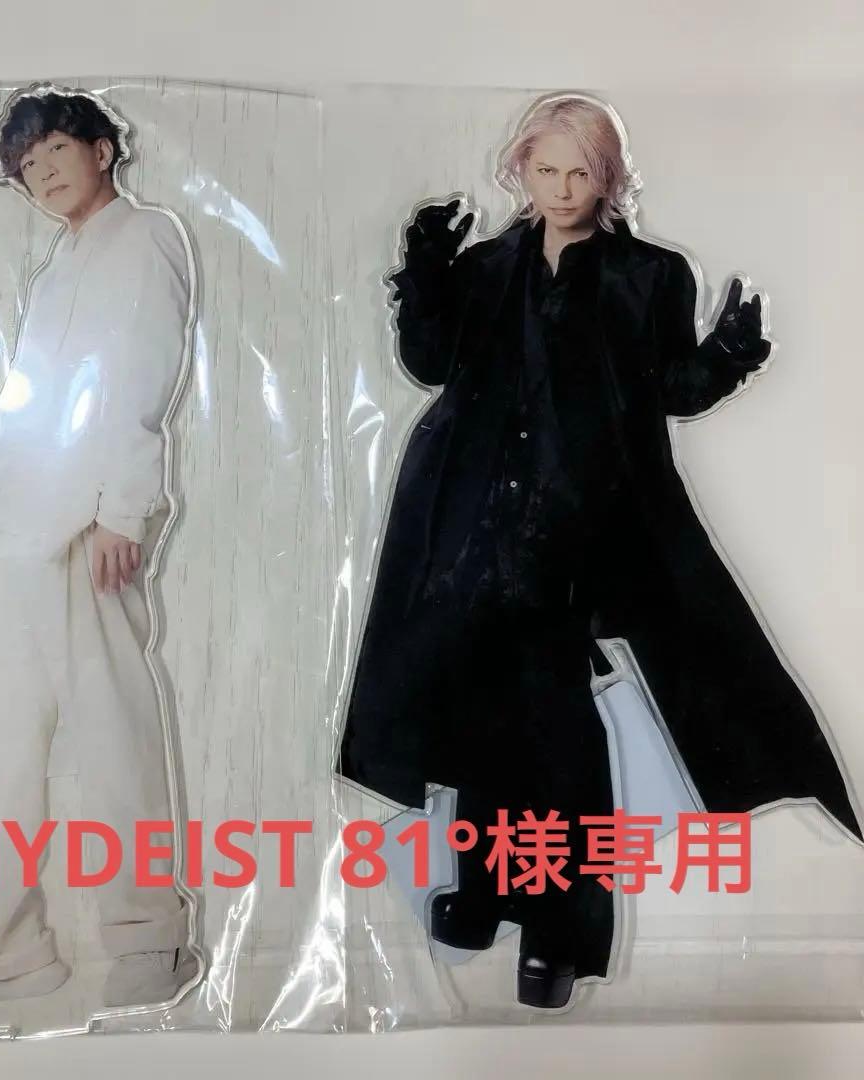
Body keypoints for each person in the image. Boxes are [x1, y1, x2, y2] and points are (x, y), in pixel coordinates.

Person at [336, 93, 863, 1010]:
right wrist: (424, 274)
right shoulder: (486, 267)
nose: (562, 188)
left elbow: (673, 389)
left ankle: (561, 932)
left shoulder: (650, 275)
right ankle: (486, 890)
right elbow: (429, 363)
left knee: (559, 734)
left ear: (609, 179)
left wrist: (729, 354)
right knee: (482, 715)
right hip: (474, 526)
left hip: (585, 533)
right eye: (546, 169)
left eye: (581, 172)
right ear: (520, 169)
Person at [0, 86, 200, 1014]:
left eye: (57, 148)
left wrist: (124, 513)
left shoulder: (145, 237)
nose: (43, 171)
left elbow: (142, 377)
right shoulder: (63, 260)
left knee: (112, 739)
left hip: (83, 533)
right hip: (12, 534)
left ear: (102, 148)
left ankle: (148, 937)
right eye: (27, 165)